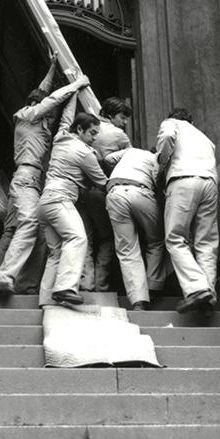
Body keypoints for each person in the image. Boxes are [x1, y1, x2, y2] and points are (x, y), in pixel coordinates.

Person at [0, 60, 89, 295]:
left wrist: (62, 79)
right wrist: (77, 82)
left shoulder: (41, 126)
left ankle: (26, 286)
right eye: (46, 109)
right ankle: (4, 277)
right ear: (35, 104)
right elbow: (50, 99)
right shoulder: (26, 115)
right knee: (29, 223)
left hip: (32, 183)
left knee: (33, 232)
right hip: (25, 179)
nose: (51, 115)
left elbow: (62, 116)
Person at [37, 84, 109, 307]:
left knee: (56, 253)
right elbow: (102, 182)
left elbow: (67, 117)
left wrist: (75, 88)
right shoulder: (84, 152)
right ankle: (65, 287)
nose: (94, 138)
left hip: (45, 202)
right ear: (80, 131)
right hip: (61, 200)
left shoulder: (60, 138)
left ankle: (45, 300)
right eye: (92, 133)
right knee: (78, 238)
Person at [155, 107, 218, 314]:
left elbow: (166, 137)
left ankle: (197, 288)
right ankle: (208, 295)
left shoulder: (172, 123)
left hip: (183, 180)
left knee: (175, 238)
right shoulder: (204, 137)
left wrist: (162, 163)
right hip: (209, 183)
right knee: (206, 242)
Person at [79, 97, 132, 293]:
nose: (125, 122)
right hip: (103, 192)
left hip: (80, 191)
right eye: (122, 117)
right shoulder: (119, 136)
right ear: (111, 115)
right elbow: (130, 162)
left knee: (85, 237)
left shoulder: (88, 128)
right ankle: (101, 285)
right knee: (109, 237)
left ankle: (86, 283)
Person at [103, 147, 165, 310]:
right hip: (141, 192)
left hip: (115, 192)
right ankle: (153, 287)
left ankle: (138, 300)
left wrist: (119, 171)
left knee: (127, 250)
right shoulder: (156, 158)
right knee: (156, 240)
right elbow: (159, 183)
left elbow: (108, 158)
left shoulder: (130, 151)